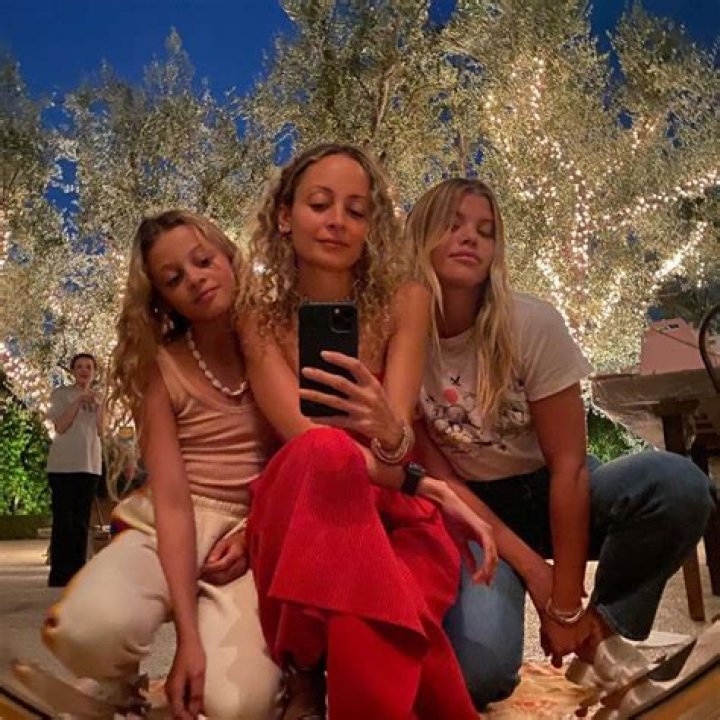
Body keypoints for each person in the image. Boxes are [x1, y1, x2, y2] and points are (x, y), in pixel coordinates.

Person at [405, 177, 715, 709]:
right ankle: (583, 643)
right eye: (452, 225)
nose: (471, 238)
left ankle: (603, 634)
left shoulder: (531, 323)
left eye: (486, 230)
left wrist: (569, 608)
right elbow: (443, 479)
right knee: (478, 675)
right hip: (473, 511)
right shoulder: (401, 338)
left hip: (554, 485)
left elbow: (569, 466)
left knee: (679, 485)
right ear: (419, 237)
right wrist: (535, 571)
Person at [237, 143, 497, 720]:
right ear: (284, 216)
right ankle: (313, 666)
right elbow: (305, 441)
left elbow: (396, 443)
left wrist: (389, 432)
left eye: (355, 211)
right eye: (320, 204)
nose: (337, 221)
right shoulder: (257, 315)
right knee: (324, 448)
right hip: (303, 504)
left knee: (374, 617)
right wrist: (423, 483)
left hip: (391, 504)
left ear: (370, 226)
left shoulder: (407, 301)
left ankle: (307, 670)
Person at [18, 211, 282, 719]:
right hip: (172, 519)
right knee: (85, 631)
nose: (195, 279)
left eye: (203, 260)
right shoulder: (158, 365)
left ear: (230, 258)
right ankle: (116, 685)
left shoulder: (277, 339)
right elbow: (174, 501)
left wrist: (255, 531)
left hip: (253, 529)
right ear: (161, 300)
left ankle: (252, 675)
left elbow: (304, 454)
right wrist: (187, 640)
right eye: (174, 278)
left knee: (238, 706)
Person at [45, 352, 104, 587]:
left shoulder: (100, 397)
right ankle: (60, 574)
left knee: (81, 521)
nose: (84, 371)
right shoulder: (61, 394)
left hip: (89, 465)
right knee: (64, 520)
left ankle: (78, 573)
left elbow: (102, 430)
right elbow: (60, 426)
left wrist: (100, 407)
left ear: (94, 372)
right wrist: (78, 402)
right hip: (63, 466)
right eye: (79, 366)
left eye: (89, 367)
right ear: (72, 371)